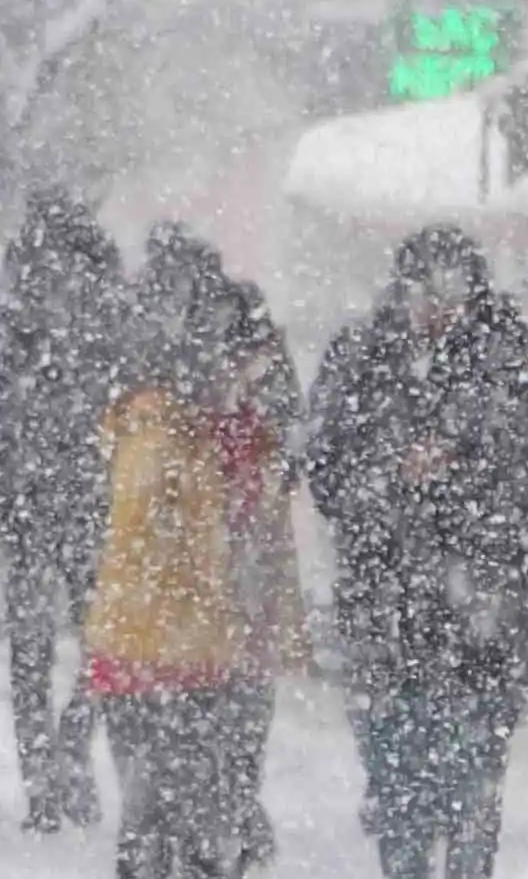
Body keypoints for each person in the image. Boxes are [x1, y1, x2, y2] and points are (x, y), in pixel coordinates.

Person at [307, 224, 528, 878]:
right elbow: (326, 472)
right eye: (424, 286)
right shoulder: (362, 355)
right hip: (383, 623)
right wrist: (393, 471)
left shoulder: (510, 361)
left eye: (452, 287)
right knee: (399, 805)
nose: (436, 304)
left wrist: (461, 472)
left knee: (472, 805)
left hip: (479, 627)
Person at [0, 186, 120, 832]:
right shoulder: (106, 296)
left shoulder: (2, 298)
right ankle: (67, 753)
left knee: (35, 651)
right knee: (99, 643)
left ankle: (44, 778)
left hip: (31, 497)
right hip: (87, 495)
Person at [86, 333, 245, 879]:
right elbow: (174, 528)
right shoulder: (166, 439)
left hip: (135, 640)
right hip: (169, 646)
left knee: (151, 800)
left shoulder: (139, 430)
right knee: (176, 803)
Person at [205, 282, 313, 876]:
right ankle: (227, 805)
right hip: (206, 554)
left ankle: (240, 800)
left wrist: (271, 470)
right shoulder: (193, 386)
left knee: (248, 686)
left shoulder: (271, 380)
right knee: (214, 685)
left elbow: (295, 450)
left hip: (254, 546)